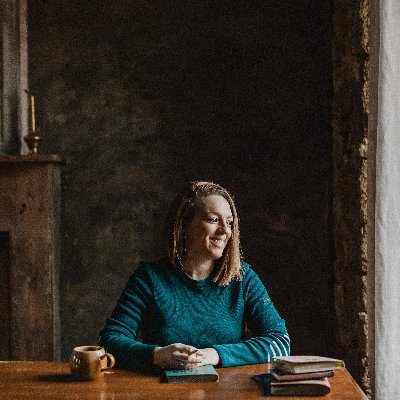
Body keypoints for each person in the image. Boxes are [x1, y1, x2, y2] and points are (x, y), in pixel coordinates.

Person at [99, 181, 290, 370]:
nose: (225, 230)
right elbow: (110, 340)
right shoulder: (149, 278)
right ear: (184, 226)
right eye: (213, 220)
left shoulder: (243, 278)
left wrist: (214, 355)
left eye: (229, 222)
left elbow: (280, 342)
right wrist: (156, 355)